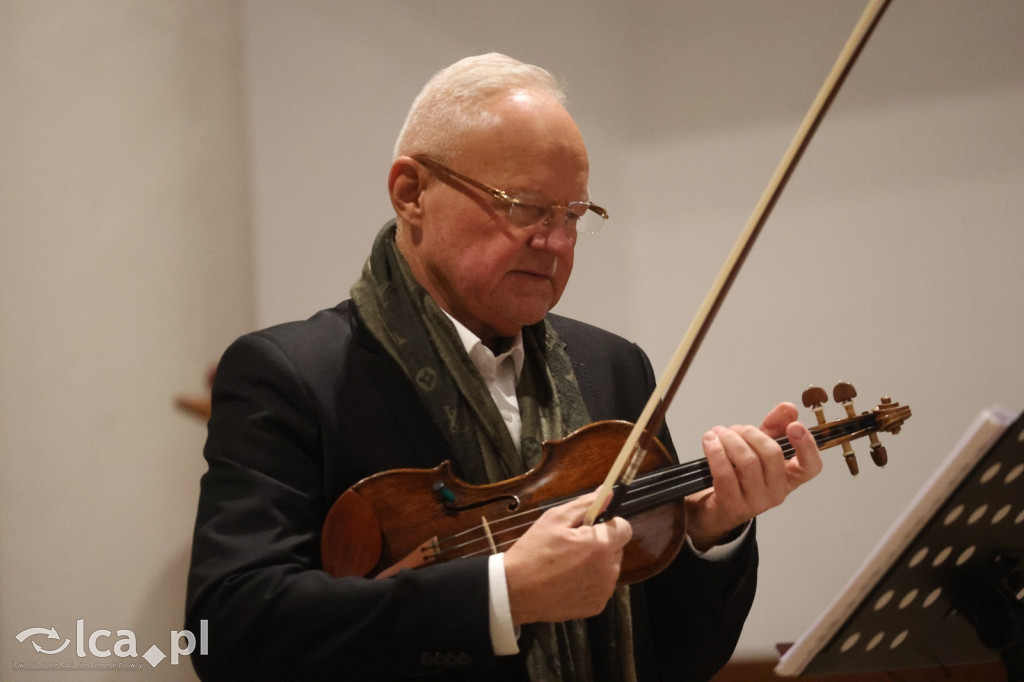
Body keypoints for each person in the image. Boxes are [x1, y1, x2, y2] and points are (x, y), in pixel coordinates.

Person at [185, 53, 822, 682]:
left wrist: (708, 534)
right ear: (411, 194)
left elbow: (678, 659)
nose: (555, 243)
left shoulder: (613, 368)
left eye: (573, 215)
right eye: (522, 206)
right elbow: (231, 630)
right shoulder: (292, 375)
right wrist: (500, 596)